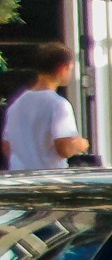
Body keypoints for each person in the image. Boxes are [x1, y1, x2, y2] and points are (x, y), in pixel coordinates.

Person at [3, 43, 87, 171]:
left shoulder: (17, 104)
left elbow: (6, 146)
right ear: (62, 68)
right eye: (70, 68)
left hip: (20, 181)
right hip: (49, 181)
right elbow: (64, 149)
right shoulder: (58, 104)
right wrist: (80, 144)